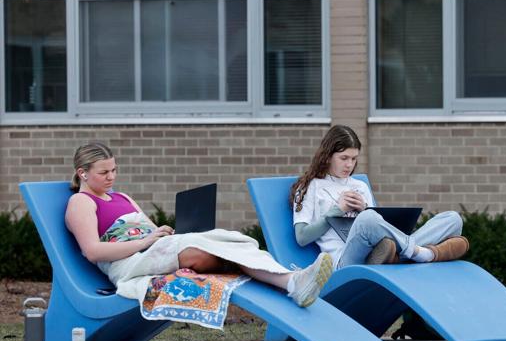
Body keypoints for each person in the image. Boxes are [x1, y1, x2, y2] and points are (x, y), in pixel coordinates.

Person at [65, 142, 332, 308]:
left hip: (151, 250)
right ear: (83, 173)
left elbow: (150, 231)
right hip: (128, 263)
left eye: (114, 170)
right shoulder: (82, 202)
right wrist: (146, 241)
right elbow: (93, 251)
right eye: (104, 172)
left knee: (227, 238)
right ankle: (292, 282)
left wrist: (160, 232)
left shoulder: (122, 197)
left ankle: (292, 281)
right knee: (203, 249)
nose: (111, 177)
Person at [291, 125, 469, 268]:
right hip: (344, 261)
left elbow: (380, 229)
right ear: (328, 156)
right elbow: (302, 237)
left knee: (453, 219)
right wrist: (337, 211)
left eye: (353, 159)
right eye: (344, 158)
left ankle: (402, 256)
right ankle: (422, 253)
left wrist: (364, 209)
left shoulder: (359, 186)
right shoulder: (309, 187)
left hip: (380, 253)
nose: (349, 165)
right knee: (368, 219)